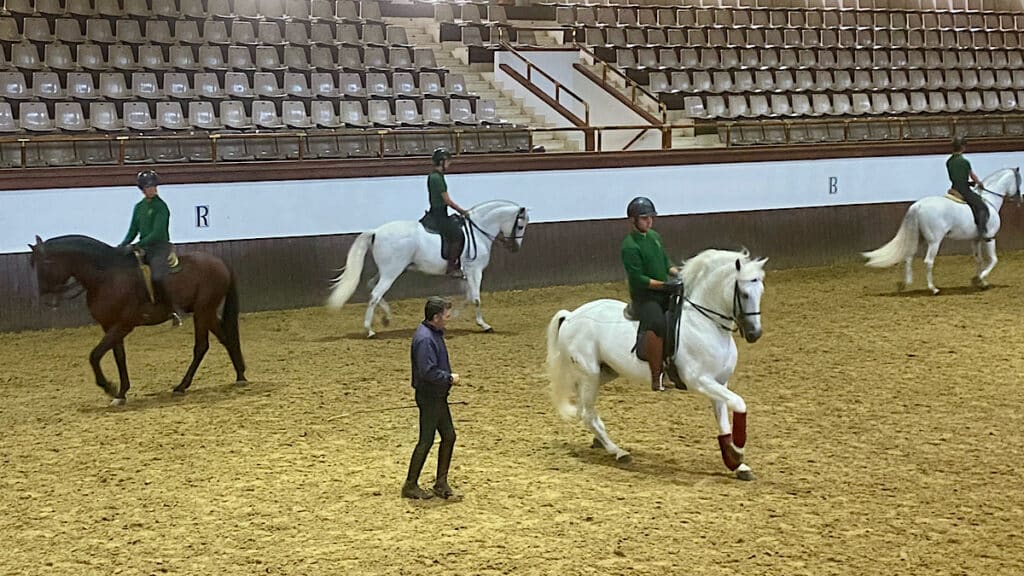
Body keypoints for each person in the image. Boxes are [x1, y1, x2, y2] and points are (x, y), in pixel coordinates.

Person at [621, 196, 682, 392]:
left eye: (651, 218)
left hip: (662, 290)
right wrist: (665, 285)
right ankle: (657, 377)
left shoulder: (655, 237)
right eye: (645, 218)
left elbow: (666, 263)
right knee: (656, 322)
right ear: (633, 221)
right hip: (645, 296)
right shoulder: (629, 246)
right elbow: (638, 278)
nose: (649, 221)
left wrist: (681, 275)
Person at [402, 296, 460, 500]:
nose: (448, 319)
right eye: (446, 315)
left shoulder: (431, 334)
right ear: (436, 317)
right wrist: (449, 378)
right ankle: (410, 485)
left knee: (449, 436)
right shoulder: (426, 339)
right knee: (426, 441)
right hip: (430, 396)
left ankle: (440, 482)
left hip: (436, 396)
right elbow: (428, 371)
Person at [119, 170, 183, 326]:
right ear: (142, 189)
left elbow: (158, 232)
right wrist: (122, 246)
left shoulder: (161, 207)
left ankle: (171, 309)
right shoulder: (139, 207)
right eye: (148, 186)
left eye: (154, 186)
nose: (152, 189)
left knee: (157, 277)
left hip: (159, 247)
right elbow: (133, 230)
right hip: (144, 247)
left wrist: (137, 245)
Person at [427, 148, 469, 279]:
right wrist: (462, 211)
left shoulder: (436, 176)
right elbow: (447, 201)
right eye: (448, 161)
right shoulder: (436, 178)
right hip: (439, 215)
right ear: (441, 162)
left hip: (439, 212)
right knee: (457, 235)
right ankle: (451, 267)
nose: (449, 164)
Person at [947, 136, 988, 239]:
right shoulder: (964, 161)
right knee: (981, 206)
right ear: (962, 147)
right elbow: (972, 175)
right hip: (963, 190)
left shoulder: (949, 161)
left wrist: (969, 183)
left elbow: (956, 177)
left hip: (953, 188)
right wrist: (979, 183)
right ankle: (981, 231)